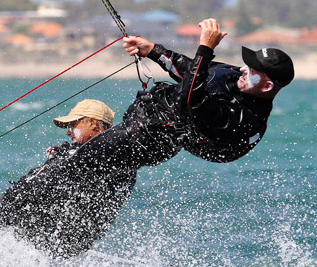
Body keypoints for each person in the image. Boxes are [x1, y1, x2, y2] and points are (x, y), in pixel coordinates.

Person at [76, 18, 294, 170]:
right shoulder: (235, 76)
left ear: (266, 86)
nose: (244, 70)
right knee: (88, 159)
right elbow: (193, 70)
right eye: (248, 64)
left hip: (151, 139)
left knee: (80, 162)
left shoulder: (243, 119)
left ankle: (67, 166)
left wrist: (206, 48)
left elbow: (190, 98)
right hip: (144, 118)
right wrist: (153, 50)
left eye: (253, 71)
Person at [0, 99, 138, 258]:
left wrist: (66, 157)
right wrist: (64, 154)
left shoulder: (109, 157)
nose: (69, 131)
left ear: (93, 124)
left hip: (44, 232)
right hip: (36, 225)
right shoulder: (83, 155)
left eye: (73, 125)